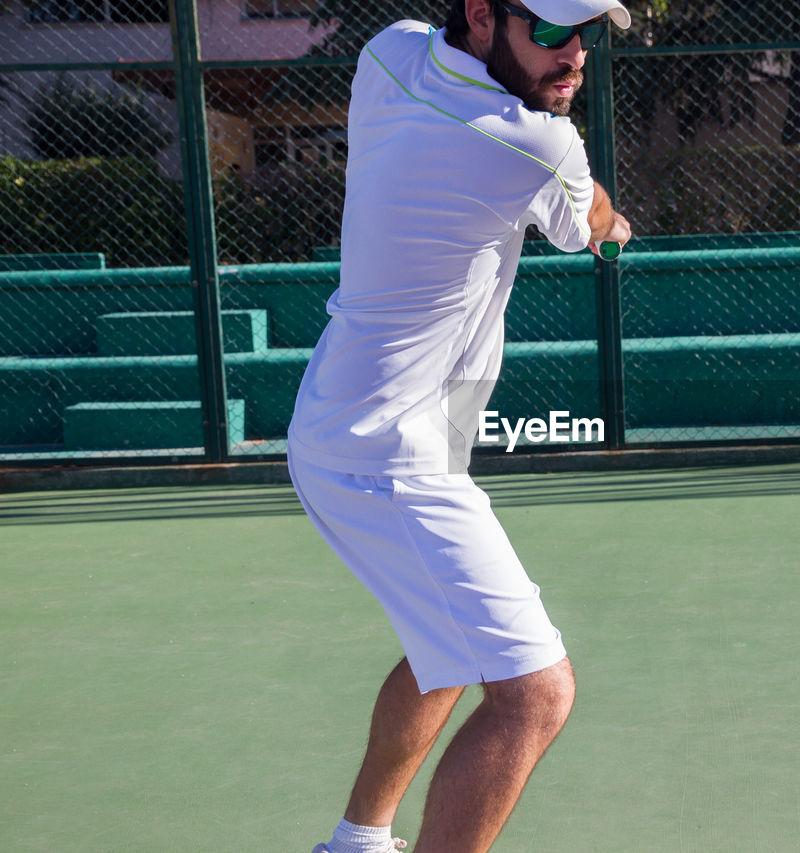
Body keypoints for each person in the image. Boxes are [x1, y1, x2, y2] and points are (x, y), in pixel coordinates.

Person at [286, 0, 632, 850]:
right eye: (549, 32)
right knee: (535, 693)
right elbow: (588, 223)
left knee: (444, 647)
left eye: (583, 33)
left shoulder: (389, 53)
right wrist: (614, 230)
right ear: (482, 16)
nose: (574, 55)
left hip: (352, 421)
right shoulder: (538, 143)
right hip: (389, 455)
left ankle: (357, 841)